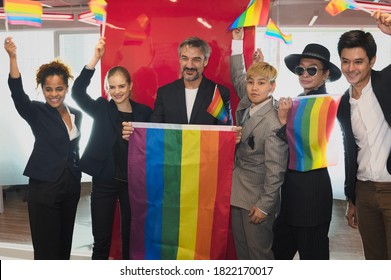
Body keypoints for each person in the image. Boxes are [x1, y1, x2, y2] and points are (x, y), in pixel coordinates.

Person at [71, 37, 152, 260]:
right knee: (102, 240)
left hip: (132, 184)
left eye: (122, 86)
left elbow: (155, 144)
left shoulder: (144, 113)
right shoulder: (100, 108)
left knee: (130, 237)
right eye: (112, 87)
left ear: (130, 86)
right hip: (104, 183)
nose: (117, 91)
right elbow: (77, 92)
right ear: (107, 88)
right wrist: (95, 59)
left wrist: (136, 137)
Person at [4, 37, 82, 260]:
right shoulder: (36, 112)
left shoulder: (77, 114)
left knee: (63, 246)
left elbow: (73, 149)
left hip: (70, 187)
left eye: (59, 88)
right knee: (47, 249)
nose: (54, 94)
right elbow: (18, 95)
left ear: (66, 87)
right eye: (48, 89)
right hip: (44, 187)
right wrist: (13, 58)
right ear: (42, 88)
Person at [271, 44, 342, 260]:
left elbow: (302, 147)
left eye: (312, 69)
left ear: (325, 74)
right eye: (300, 69)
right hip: (290, 198)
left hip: (310, 198)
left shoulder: (324, 104)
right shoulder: (300, 100)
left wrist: (283, 122)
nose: (305, 74)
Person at [336, 10, 391, 260]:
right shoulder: (343, 104)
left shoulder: (386, 82)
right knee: (375, 260)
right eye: (345, 61)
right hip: (365, 192)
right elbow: (351, 151)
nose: (351, 68)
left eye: (358, 61)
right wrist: (352, 199)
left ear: (372, 60)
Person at [230, 61, 288, 260]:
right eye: (251, 82)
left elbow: (276, 170)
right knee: (243, 253)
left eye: (261, 83)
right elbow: (238, 77)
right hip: (237, 192)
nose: (254, 88)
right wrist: (237, 41)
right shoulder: (247, 104)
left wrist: (265, 205)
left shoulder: (273, 121)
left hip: (257, 199)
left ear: (272, 87)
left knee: (259, 255)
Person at [150, 36, 233, 125]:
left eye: (196, 60)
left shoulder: (219, 93)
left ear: (205, 61)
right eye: (185, 58)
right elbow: (155, 131)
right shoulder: (164, 93)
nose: (189, 65)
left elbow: (225, 133)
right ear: (180, 60)